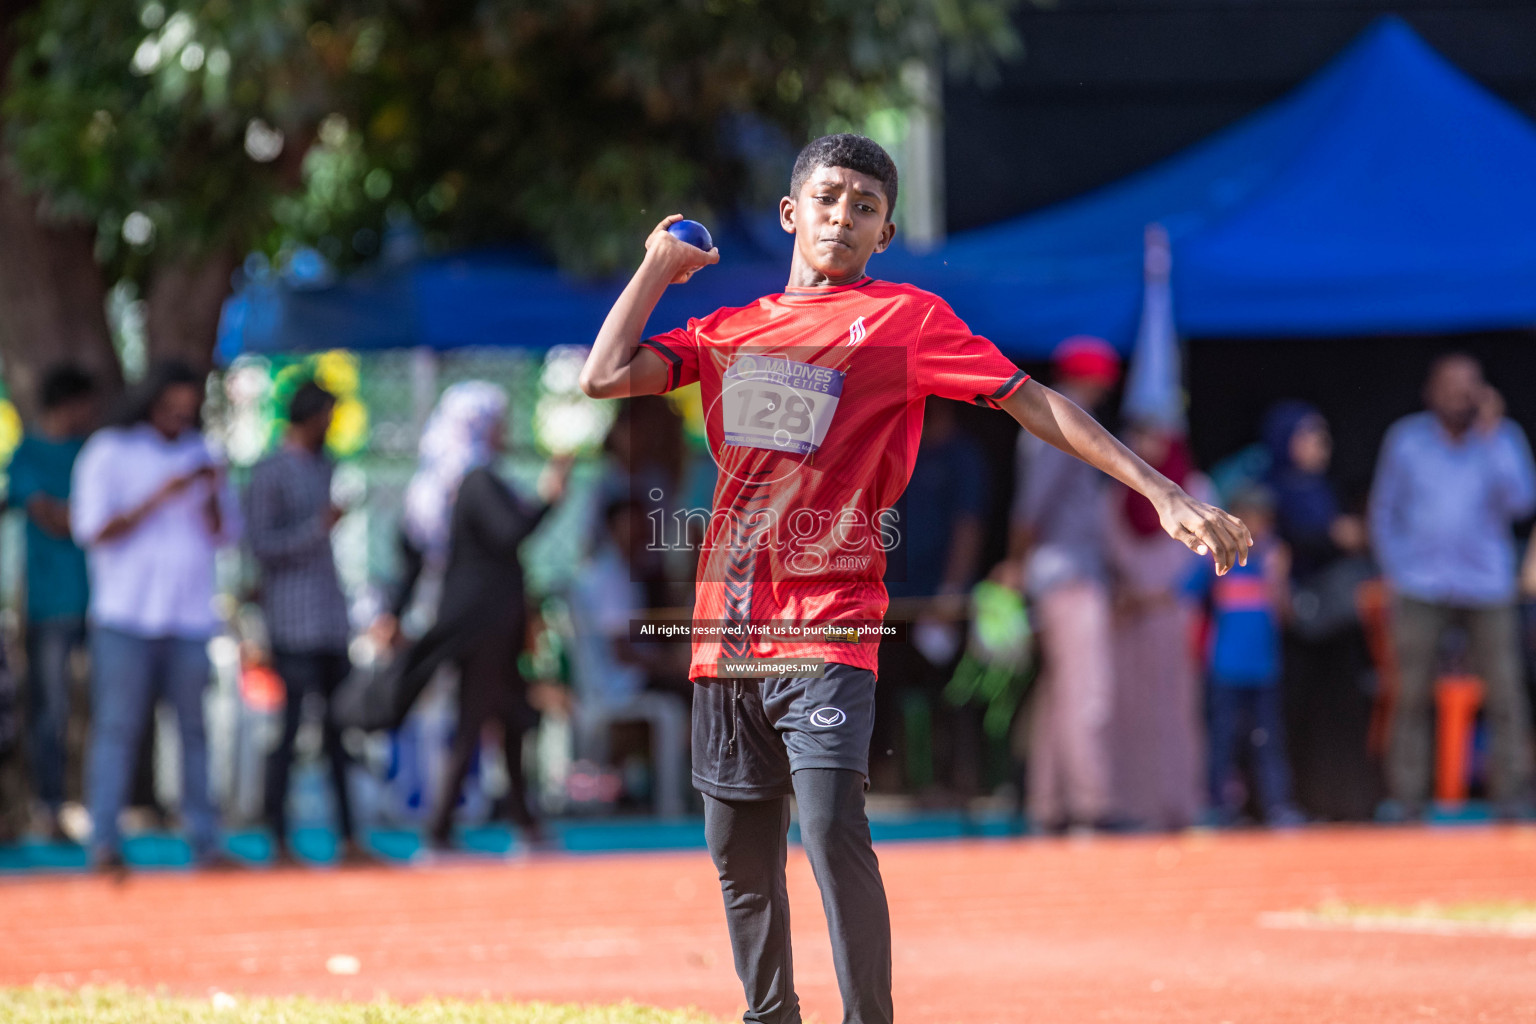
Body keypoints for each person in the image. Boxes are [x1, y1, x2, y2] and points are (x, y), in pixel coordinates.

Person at [579, 133, 1250, 1024]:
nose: (842, 217)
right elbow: (602, 376)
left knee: (827, 828)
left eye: (865, 207)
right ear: (792, 213)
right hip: (727, 630)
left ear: (885, 233)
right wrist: (658, 269)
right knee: (739, 853)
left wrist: (1161, 490)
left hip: (831, 621)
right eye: (827, 198)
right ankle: (768, 1013)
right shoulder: (727, 332)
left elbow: (1030, 400)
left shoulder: (905, 321)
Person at [375, 382, 570, 852]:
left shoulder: (458, 481)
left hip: (483, 618)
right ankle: (444, 828)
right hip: (483, 619)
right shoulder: (477, 481)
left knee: (508, 716)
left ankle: (519, 822)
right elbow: (510, 534)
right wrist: (549, 496)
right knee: (479, 717)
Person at [71, 361, 240, 873]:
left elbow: (226, 534)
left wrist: (208, 491)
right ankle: (105, 842)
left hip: (188, 616)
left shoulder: (201, 453)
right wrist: (158, 498)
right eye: (170, 409)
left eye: (187, 411)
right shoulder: (110, 451)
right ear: (150, 403)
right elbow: (90, 529)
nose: (178, 418)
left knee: (194, 730)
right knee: (117, 728)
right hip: (125, 615)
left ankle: (205, 841)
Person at [1370, 354, 1536, 819]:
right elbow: (1384, 510)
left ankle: (1511, 798)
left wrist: (1492, 436)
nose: (1459, 395)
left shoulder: (1503, 439)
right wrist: (1396, 569)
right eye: (1450, 386)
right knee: (1410, 692)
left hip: (1487, 585)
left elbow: (1522, 501)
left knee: (1505, 692)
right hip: (1421, 583)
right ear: (1430, 391)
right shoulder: (1406, 440)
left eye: (1468, 386)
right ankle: (1407, 799)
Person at [245, 381, 371, 866]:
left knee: (342, 733)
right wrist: (319, 527)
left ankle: (350, 840)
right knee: (290, 733)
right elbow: (261, 546)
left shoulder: (328, 466)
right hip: (291, 623)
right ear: (310, 415)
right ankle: (277, 840)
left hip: (329, 621)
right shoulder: (269, 472)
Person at [1006, 335, 1122, 833]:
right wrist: (1014, 562)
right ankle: (1090, 806)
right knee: (1087, 693)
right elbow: (1033, 509)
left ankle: (1048, 804)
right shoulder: (1059, 422)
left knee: (1059, 694)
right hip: (1069, 574)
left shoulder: (1043, 423)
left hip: (1055, 573)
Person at [1261, 401, 1376, 820]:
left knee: (1342, 710)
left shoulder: (1319, 486)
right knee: (1299, 712)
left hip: (1336, 623)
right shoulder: (1278, 488)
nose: (1319, 444)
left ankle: (1344, 802)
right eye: (1308, 435)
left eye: (1322, 435)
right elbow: (1332, 536)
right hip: (1297, 621)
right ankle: (1301, 800)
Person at [876, 395, 991, 795]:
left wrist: (950, 591)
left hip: (940, 605)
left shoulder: (961, 457)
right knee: (878, 688)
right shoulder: (896, 453)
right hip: (891, 604)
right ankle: (888, 777)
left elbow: (967, 526)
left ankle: (953, 782)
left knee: (949, 695)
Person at [8, 365, 98, 839]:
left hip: (101, 602)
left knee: (101, 707)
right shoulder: (28, 455)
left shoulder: (93, 451)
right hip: (49, 603)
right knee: (51, 710)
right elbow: (56, 520)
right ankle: (50, 805)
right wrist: (96, 520)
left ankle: (95, 803)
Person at [1103, 422, 1206, 831]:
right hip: (1129, 622)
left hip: (1176, 619)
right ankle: (1133, 807)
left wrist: (1165, 594)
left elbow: (1206, 561)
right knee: (1130, 714)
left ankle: (1179, 804)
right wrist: (1126, 590)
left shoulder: (1197, 485)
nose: (1147, 444)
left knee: (1178, 713)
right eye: (1139, 435)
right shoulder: (1116, 493)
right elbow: (1103, 549)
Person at [567, 497, 690, 818]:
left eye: (641, 525)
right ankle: (689, 797)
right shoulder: (611, 576)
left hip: (620, 679)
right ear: (611, 528)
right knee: (704, 691)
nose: (638, 532)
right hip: (621, 684)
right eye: (629, 524)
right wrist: (673, 665)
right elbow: (622, 652)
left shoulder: (619, 570)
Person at [1189, 486, 1303, 827]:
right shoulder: (1214, 559)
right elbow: (1185, 598)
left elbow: (1286, 616)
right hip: (1224, 668)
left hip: (1264, 669)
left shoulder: (1273, 559)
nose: (1255, 527)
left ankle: (1276, 806)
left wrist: (1277, 579)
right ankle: (1218, 809)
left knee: (1268, 741)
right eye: (1247, 518)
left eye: (1262, 519)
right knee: (1222, 740)